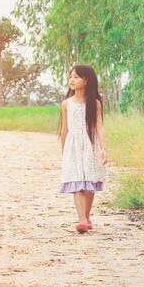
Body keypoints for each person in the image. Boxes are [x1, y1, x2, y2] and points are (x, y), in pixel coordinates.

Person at [57, 64, 108, 233]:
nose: (71, 80)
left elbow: (99, 126)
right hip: (73, 146)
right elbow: (64, 129)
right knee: (76, 179)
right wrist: (64, 151)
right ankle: (81, 219)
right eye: (70, 76)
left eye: (76, 77)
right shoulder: (66, 104)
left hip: (90, 145)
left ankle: (86, 216)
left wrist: (103, 149)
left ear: (86, 80)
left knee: (89, 182)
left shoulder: (94, 103)